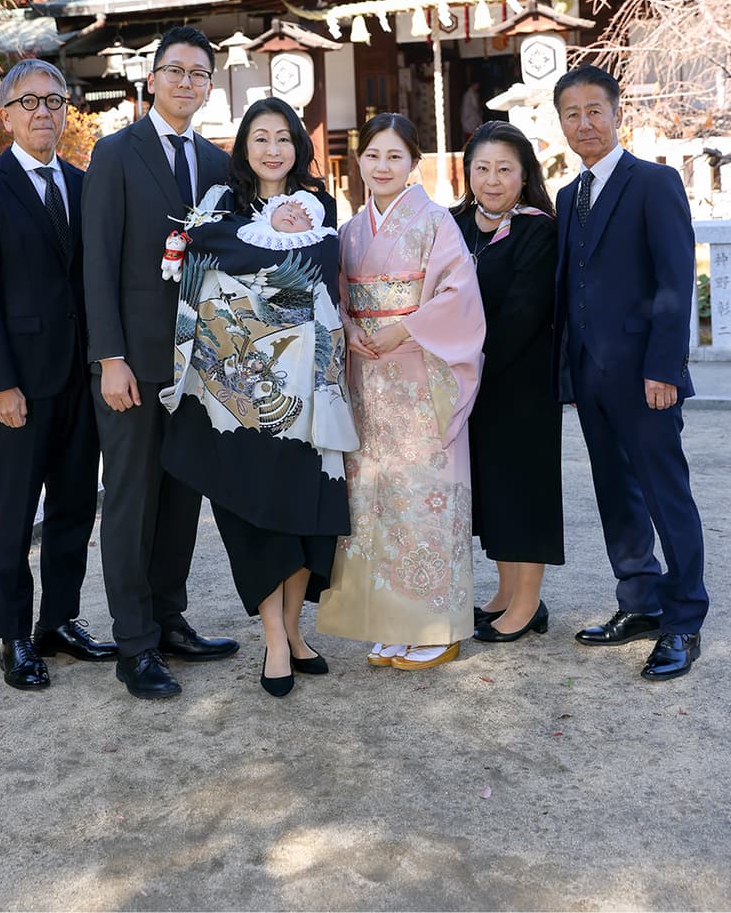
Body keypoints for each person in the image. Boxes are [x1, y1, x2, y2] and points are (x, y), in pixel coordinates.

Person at [158, 97, 354, 699]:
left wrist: (270, 262)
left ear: (300, 146)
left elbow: (322, 265)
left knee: (304, 518)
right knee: (255, 517)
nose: (273, 150)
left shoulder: (317, 205)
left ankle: (295, 632)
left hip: (309, 398)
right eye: (261, 138)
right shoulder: (222, 206)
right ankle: (274, 638)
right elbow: (207, 254)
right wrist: (274, 262)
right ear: (244, 147)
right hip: (240, 399)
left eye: (284, 139)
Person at [81, 26, 239, 700]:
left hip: (196, 365)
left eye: (198, 74)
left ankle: (171, 621)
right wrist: (110, 358)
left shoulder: (216, 161)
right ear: (152, 80)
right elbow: (97, 263)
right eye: (173, 71)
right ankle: (135, 643)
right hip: (134, 364)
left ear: (209, 86)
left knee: (181, 499)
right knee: (129, 501)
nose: (185, 83)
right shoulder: (115, 154)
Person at [0, 59, 118, 690]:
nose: (44, 112)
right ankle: (14, 636)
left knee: (76, 507)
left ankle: (59, 623)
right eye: (29, 102)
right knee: (15, 512)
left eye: (54, 100)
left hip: (84, 376)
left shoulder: (84, 185)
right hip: (20, 382)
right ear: (7, 115)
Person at [552, 64, 709, 681]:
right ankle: (639, 601)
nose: (584, 123)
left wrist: (664, 367)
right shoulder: (569, 197)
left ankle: (684, 620)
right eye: (572, 113)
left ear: (617, 115)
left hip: (647, 375)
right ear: (560, 123)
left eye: (595, 110)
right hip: (590, 373)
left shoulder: (654, 182)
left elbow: (675, 281)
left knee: (666, 493)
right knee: (615, 494)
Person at [316, 114, 486, 670]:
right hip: (368, 373)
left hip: (418, 372)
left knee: (423, 495)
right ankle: (391, 622)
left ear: (415, 163)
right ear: (359, 161)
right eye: (373, 155)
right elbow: (336, 293)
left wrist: (402, 328)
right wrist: (349, 326)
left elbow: (458, 292)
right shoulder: (349, 231)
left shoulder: (435, 222)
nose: (382, 166)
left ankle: (434, 624)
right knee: (373, 500)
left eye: (395, 156)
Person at [451, 121, 564, 646]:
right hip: (468, 382)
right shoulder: (453, 224)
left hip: (518, 381)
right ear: (467, 170)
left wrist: (472, 364)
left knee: (524, 489)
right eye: (482, 168)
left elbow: (524, 313)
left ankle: (527, 603)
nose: (492, 180)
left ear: (524, 175)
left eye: (505, 170)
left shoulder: (537, 229)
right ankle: (503, 592)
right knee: (491, 489)